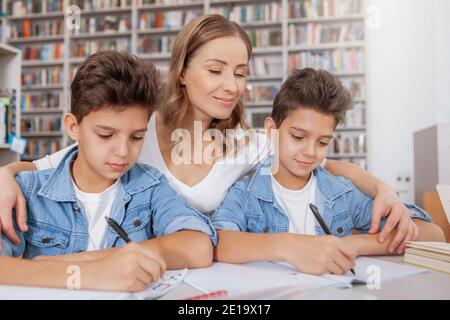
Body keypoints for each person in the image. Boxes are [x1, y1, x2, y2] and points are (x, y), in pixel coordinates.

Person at [0, 15, 416, 257]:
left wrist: (383, 189)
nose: (231, 86)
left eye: (240, 73)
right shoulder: (135, 130)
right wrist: (4, 177)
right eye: (216, 70)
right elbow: (44, 167)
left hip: (204, 277)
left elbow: (319, 161)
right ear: (183, 71)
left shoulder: (248, 144)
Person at [0, 51, 216, 292]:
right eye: (106, 135)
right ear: (73, 127)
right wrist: (86, 274)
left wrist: (96, 260)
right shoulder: (27, 191)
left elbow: (199, 245)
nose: (123, 151)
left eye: (136, 137)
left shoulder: (150, 186)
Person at [211, 68, 445, 275]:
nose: (310, 152)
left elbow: (433, 235)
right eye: (298, 137)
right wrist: (293, 246)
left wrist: (352, 244)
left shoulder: (341, 193)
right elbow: (219, 243)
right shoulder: (245, 192)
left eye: (323, 142)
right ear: (272, 130)